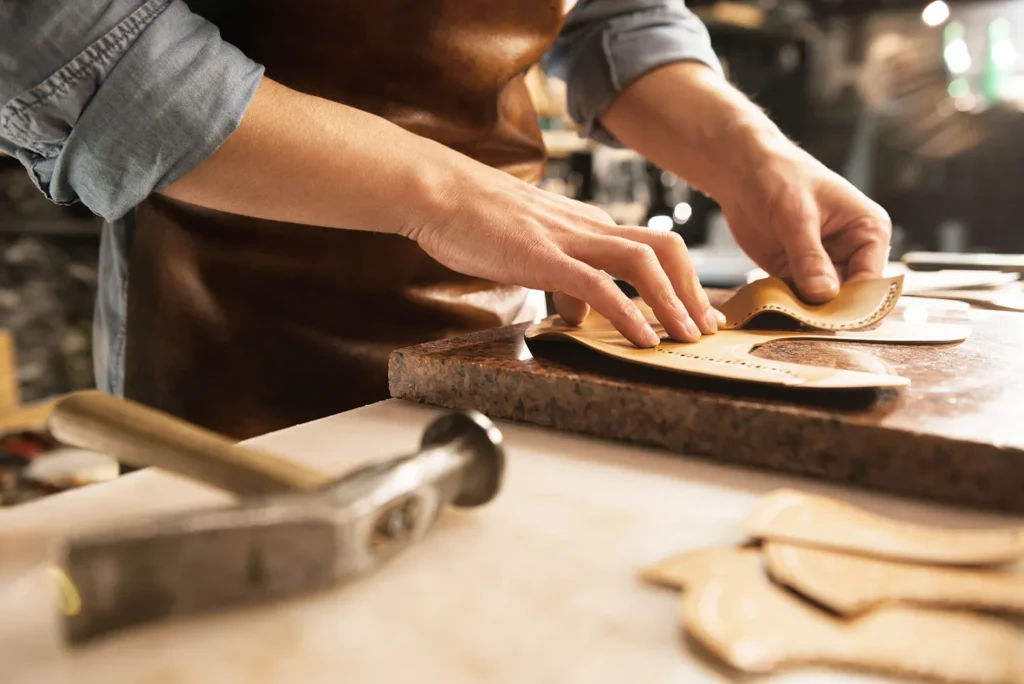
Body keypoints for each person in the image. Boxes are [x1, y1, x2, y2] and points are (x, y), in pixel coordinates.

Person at [1, 1, 891, 439]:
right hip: (238, 347)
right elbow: (63, 35)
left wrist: (752, 155)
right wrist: (446, 194)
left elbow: (623, 14)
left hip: (511, 347)